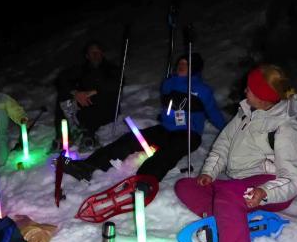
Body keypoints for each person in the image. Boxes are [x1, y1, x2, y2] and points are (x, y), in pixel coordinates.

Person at [174, 64, 297, 242]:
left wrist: (264, 192)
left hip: (271, 187)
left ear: (265, 98)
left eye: (251, 89)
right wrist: (209, 172)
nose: (245, 90)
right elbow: (222, 144)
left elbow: (293, 179)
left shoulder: (285, 127)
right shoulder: (246, 111)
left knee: (227, 196)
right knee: (186, 186)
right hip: (241, 184)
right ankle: (230, 222)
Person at [63, 53, 226, 188]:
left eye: (186, 64)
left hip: (189, 134)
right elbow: (166, 92)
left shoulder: (202, 90)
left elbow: (214, 113)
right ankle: (88, 166)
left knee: (167, 153)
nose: (181, 66)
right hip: (166, 129)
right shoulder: (170, 83)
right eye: (180, 63)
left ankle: (144, 181)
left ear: (195, 68)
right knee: (130, 139)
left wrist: (228, 130)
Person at [53, 40, 120, 152]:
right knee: (63, 95)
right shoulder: (81, 70)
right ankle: (64, 137)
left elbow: (117, 84)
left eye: (97, 52)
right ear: (87, 56)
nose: (95, 55)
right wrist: (76, 93)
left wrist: (93, 92)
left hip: (106, 109)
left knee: (97, 97)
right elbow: (60, 80)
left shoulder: (111, 69)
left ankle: (89, 136)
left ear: (102, 54)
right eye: (92, 52)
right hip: (84, 108)